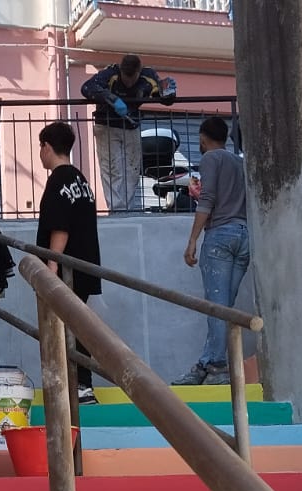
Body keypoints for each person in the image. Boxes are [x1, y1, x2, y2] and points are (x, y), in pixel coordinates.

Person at [175, 116, 249, 386]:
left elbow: (208, 200)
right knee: (224, 307)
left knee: (216, 305)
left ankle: (216, 366)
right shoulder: (238, 162)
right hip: (244, 236)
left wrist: (193, 239)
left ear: (203, 138)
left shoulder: (210, 159)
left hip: (220, 235)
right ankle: (208, 362)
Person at [35, 121, 103, 404]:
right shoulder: (80, 180)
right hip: (85, 264)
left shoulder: (58, 180)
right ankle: (78, 384)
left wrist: (52, 266)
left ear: (47, 147)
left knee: (68, 326)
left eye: (41, 147)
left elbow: (59, 227)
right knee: (76, 322)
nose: (40, 153)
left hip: (67, 269)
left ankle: (80, 385)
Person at [80, 54, 177, 212]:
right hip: (107, 125)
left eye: (132, 79)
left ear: (139, 72)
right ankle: (117, 210)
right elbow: (87, 88)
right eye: (126, 78)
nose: (129, 83)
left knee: (132, 169)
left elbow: (161, 97)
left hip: (131, 125)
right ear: (121, 71)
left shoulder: (148, 76)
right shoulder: (110, 73)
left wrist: (169, 92)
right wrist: (111, 98)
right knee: (112, 169)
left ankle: (127, 208)